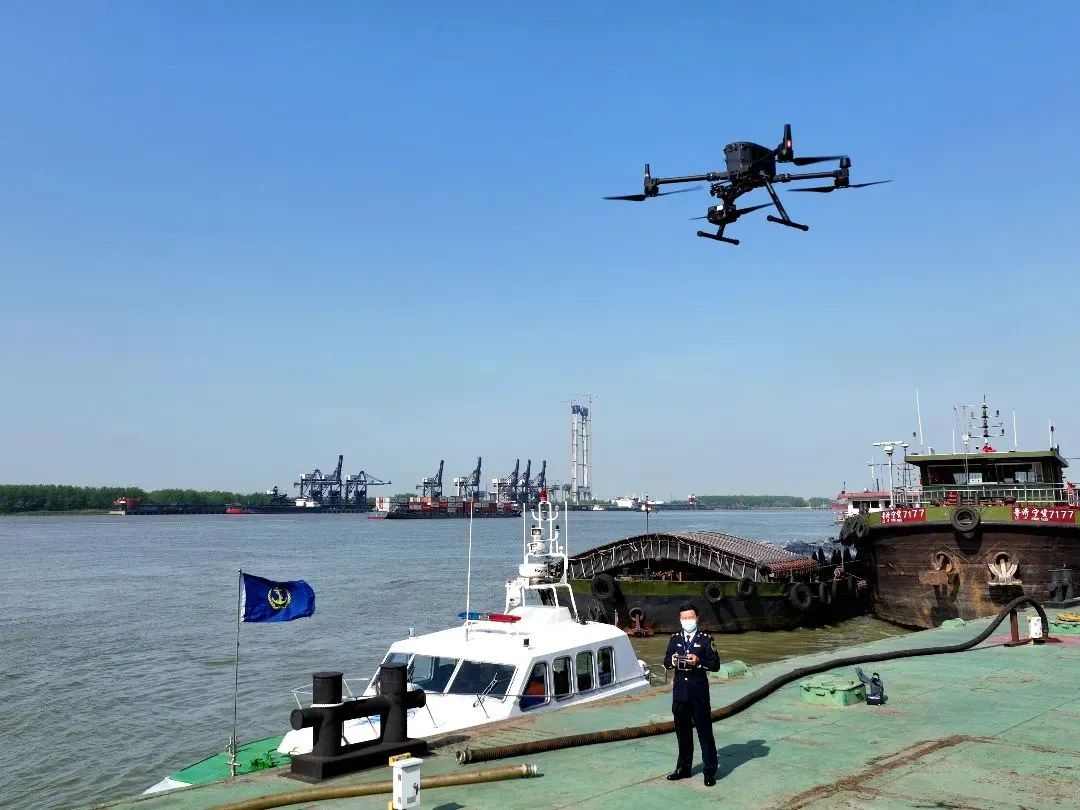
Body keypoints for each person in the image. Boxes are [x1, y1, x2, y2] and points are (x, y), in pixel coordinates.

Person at [664, 603, 720, 786]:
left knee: (704, 732)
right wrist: (672, 661)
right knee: (683, 733)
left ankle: (709, 771)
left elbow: (715, 665)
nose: (687, 621)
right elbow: (666, 661)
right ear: (680, 620)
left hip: (698, 693)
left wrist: (698, 661)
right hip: (680, 693)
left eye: (690, 617)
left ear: (697, 619)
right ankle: (684, 768)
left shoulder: (705, 640)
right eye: (684, 618)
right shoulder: (675, 639)